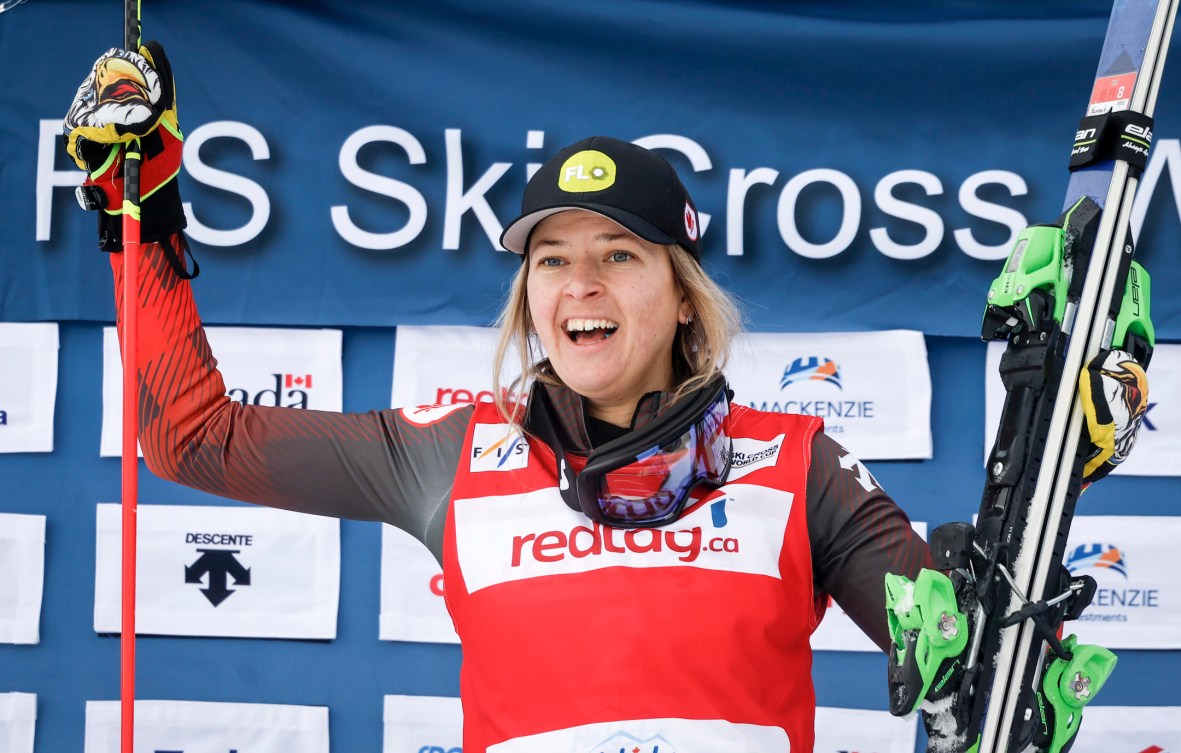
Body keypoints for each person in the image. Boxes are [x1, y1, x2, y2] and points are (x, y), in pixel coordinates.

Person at [64, 43, 1146, 753]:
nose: (577, 284)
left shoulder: (796, 463)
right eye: (548, 261)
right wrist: (141, 214)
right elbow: (190, 435)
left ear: (681, 296)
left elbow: (960, 664)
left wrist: (1008, 592)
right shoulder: (446, 454)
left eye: (619, 255)